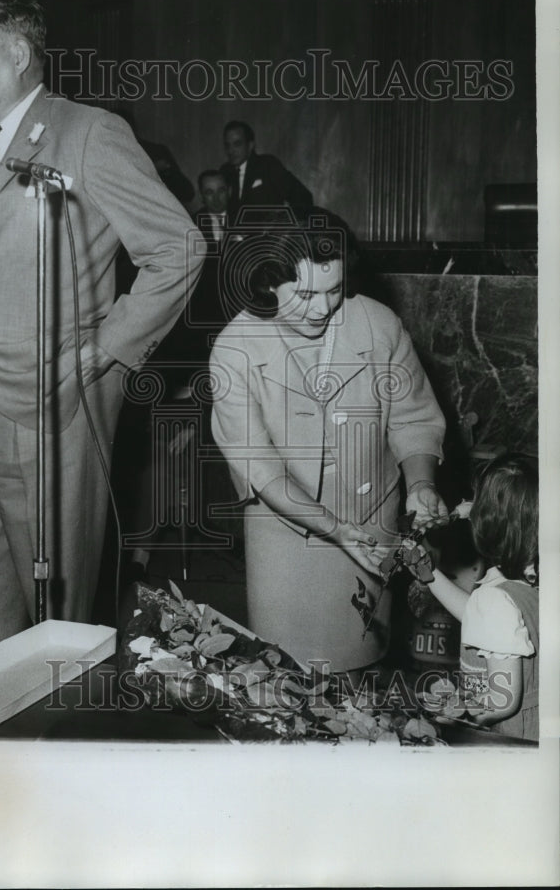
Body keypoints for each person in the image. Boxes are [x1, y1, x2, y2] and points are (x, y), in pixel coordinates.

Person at [0, 0, 204, 643]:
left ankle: (54, 727)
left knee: (54, 615)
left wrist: (102, 352)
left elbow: (177, 249)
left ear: (17, 56)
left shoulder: (87, 132)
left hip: (46, 400)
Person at [209, 212, 448, 673]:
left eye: (334, 289)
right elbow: (261, 467)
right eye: (304, 295)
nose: (321, 308)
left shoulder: (380, 325)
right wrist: (335, 529)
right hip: (287, 532)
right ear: (267, 284)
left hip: (372, 523)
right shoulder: (234, 348)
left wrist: (421, 484)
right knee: (286, 673)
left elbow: (413, 418)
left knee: (364, 668)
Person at [425, 453, 539, 741]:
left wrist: (458, 707)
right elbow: (482, 620)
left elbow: (502, 701)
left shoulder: (494, 601)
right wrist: (425, 572)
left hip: (515, 738)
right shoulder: (529, 577)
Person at [220, 120, 313, 229]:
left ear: (250, 145)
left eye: (237, 144)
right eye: (227, 145)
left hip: (267, 241)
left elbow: (303, 196)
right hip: (235, 241)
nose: (231, 151)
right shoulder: (224, 172)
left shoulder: (268, 165)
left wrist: (287, 225)